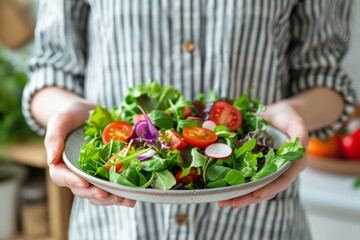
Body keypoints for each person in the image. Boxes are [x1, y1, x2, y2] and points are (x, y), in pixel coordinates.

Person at [22, 0, 356, 239]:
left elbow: (325, 79)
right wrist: (65, 111)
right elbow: (52, 69)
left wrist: (293, 119)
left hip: (259, 223)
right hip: (115, 226)